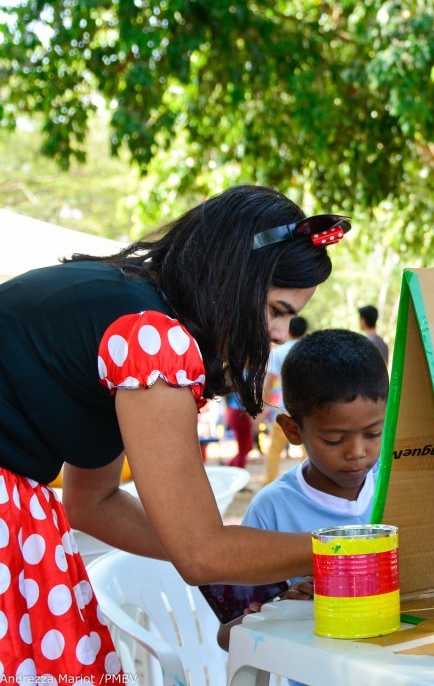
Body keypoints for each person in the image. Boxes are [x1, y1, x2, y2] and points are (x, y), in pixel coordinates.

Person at [0, 185, 350, 679]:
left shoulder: (124, 305)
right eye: (275, 311)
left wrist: (248, 571)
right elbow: (200, 552)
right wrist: (348, 548)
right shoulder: (154, 338)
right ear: (231, 278)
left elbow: (92, 502)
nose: (278, 335)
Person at [216, 329, 388, 674]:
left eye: (374, 434)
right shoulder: (271, 510)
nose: (357, 453)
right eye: (334, 439)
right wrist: (280, 606)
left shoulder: (398, 481)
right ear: (293, 431)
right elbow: (227, 634)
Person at [260, 315, 309, 484]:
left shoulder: (278, 352)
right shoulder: (308, 351)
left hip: (284, 407)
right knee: (308, 449)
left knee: (274, 449)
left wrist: (263, 405)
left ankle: (268, 480)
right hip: (307, 409)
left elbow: (269, 382)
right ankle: (309, 482)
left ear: (289, 329)